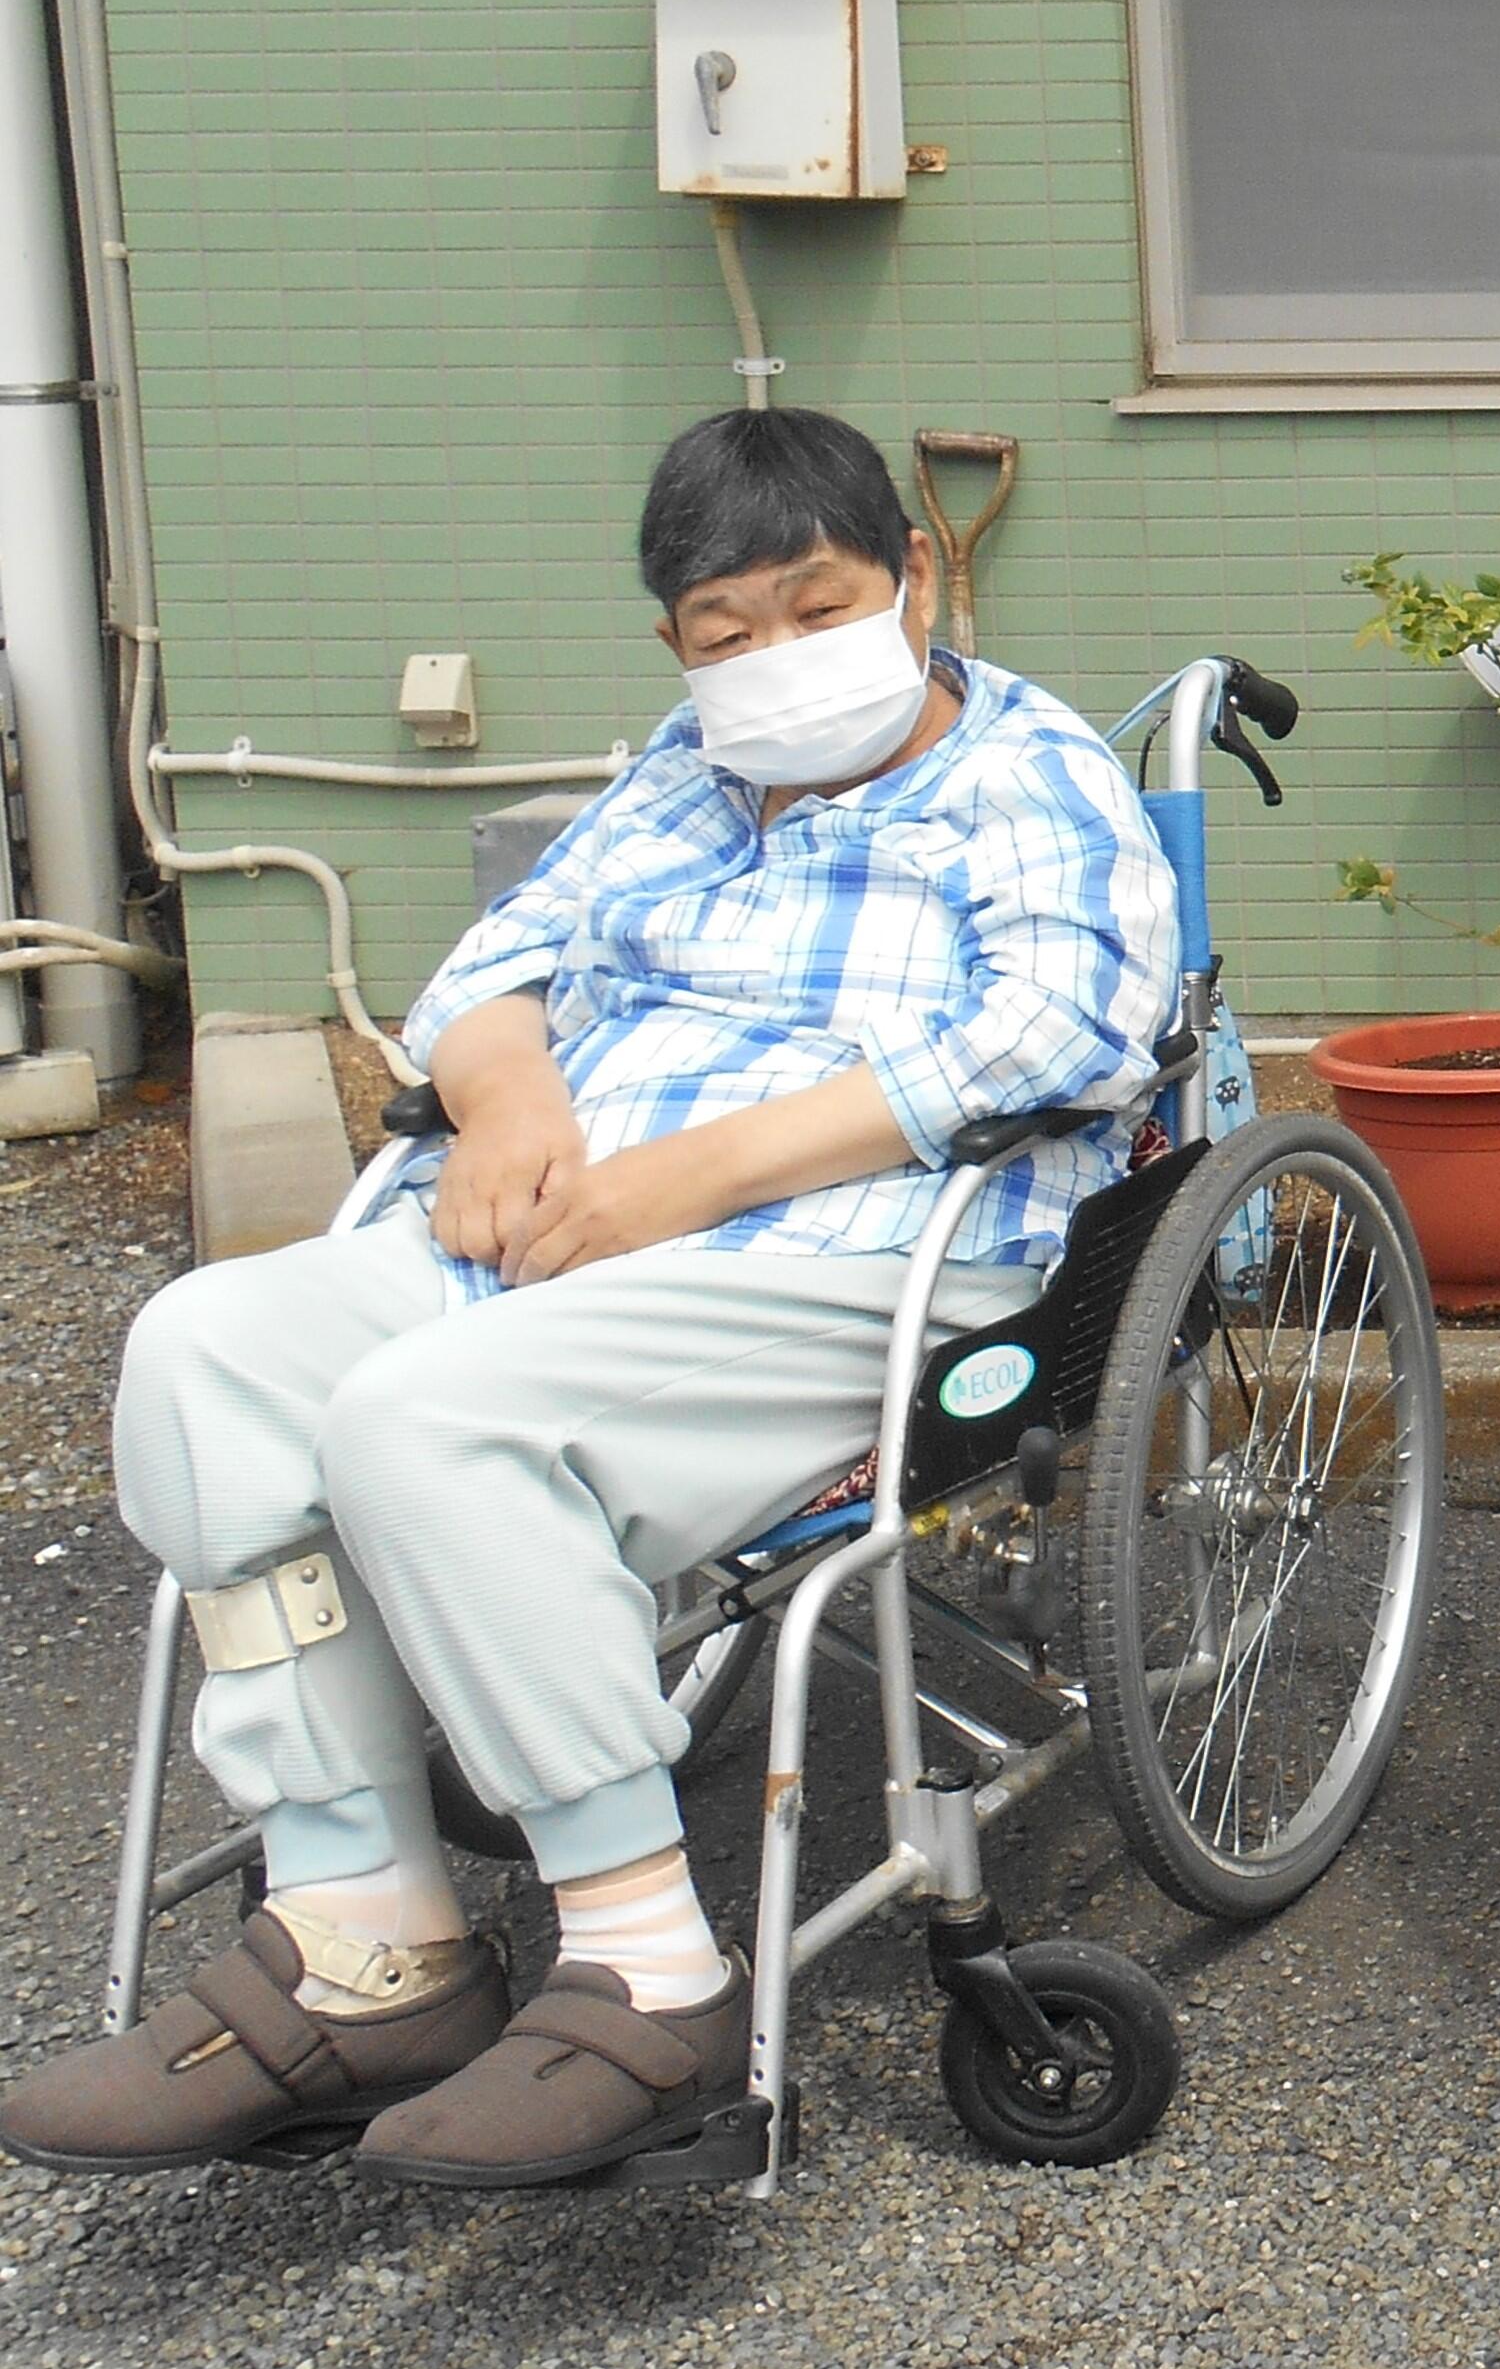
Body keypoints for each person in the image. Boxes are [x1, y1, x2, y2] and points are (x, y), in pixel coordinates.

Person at [1, 407, 1179, 2189]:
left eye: (818, 606)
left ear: (916, 579)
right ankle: (366, 1940)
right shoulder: (681, 779)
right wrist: (511, 1100)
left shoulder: (1030, 772)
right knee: (202, 1353)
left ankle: (648, 1963)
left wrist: (678, 1180)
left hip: (843, 1266)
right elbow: (494, 965)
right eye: (726, 634)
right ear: (674, 646)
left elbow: (1066, 1029)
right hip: (549, 1246)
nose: (774, 661)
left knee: (424, 1421)